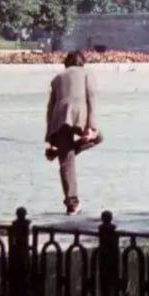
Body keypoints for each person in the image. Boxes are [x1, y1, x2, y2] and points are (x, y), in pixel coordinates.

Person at [44, 50, 102, 215]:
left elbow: (50, 109)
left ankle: (72, 203)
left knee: (66, 161)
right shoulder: (86, 74)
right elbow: (91, 99)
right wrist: (91, 127)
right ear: (82, 62)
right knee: (98, 137)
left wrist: (51, 140)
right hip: (79, 114)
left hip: (59, 117)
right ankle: (65, 152)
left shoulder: (57, 78)